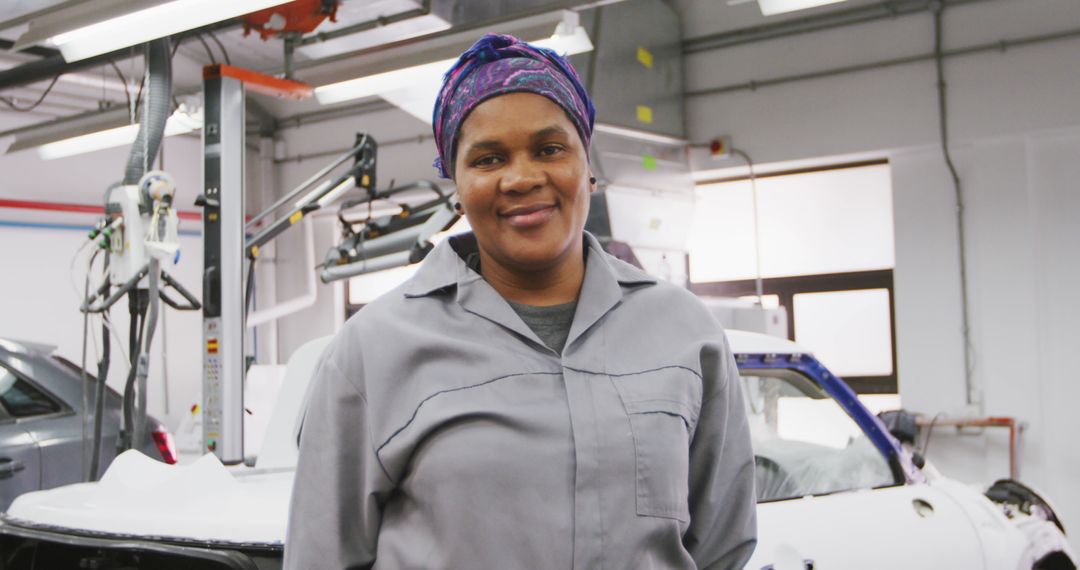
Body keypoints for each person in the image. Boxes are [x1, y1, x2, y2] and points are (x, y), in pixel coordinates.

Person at [285, 34, 756, 569]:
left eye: (549, 149)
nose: (522, 178)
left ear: (587, 166)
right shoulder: (372, 351)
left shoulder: (684, 332)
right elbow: (322, 557)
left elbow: (722, 546)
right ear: (457, 187)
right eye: (488, 159)